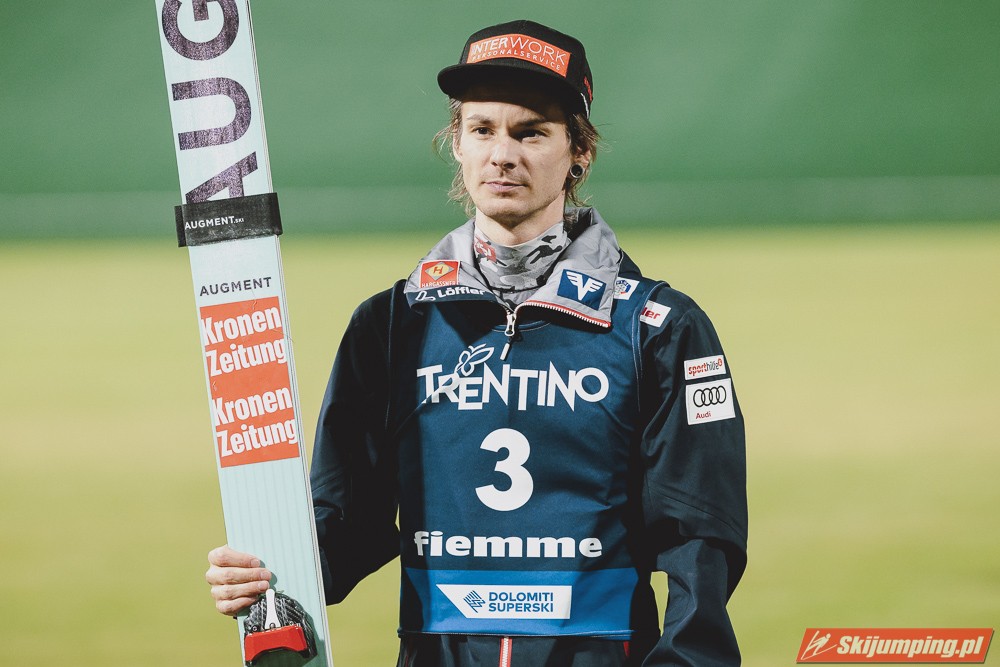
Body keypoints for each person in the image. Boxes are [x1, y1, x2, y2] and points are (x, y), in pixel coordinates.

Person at [207, 19, 748, 666]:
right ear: (457, 145)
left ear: (579, 152)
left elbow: (699, 538)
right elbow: (347, 522)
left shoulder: (659, 328)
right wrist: (268, 573)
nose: (503, 154)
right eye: (482, 129)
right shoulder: (388, 326)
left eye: (531, 132)